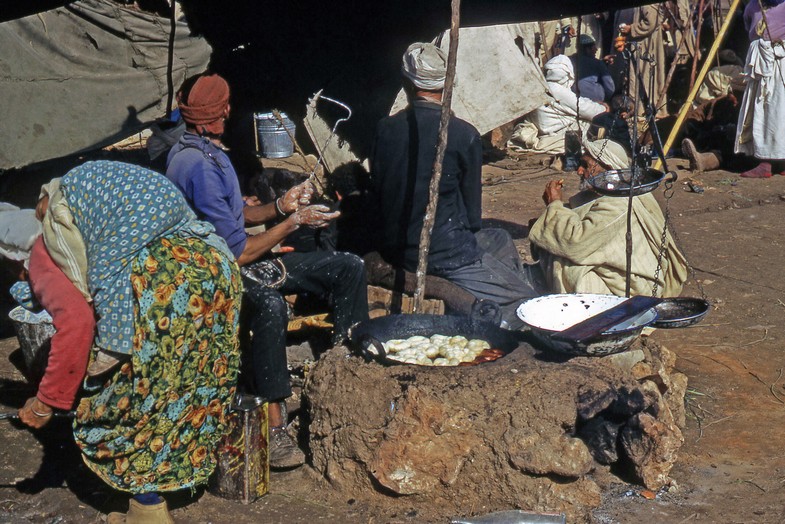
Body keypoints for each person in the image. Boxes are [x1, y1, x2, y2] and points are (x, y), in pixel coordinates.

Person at [18, 161, 243, 524]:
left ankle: (147, 507)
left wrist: (47, 401)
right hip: (212, 267)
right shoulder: (98, 189)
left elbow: (76, 324)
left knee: (131, 395)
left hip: (163, 288)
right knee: (188, 388)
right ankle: (171, 483)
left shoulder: (47, 247)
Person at [166, 72, 369, 469]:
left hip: (237, 258)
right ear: (223, 110)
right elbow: (237, 253)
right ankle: (274, 424)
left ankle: (345, 375)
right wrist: (294, 223)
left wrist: (281, 207)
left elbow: (238, 216)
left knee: (348, 267)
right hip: (214, 273)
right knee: (270, 306)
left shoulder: (207, 151)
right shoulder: (197, 165)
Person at [371, 42, 545, 329]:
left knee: (500, 238)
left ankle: (494, 288)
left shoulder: (384, 128)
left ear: (406, 84)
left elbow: (380, 191)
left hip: (396, 243)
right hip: (442, 252)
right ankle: (501, 318)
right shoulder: (463, 134)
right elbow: (472, 216)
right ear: (448, 85)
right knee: (527, 302)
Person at [528, 139, 688, 297]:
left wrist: (554, 204)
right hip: (619, 277)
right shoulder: (604, 195)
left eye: (586, 166)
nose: (579, 171)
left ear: (610, 170)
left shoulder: (620, 202)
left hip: (634, 288)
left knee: (564, 266)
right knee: (555, 250)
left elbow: (575, 243)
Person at [517, 55, 608, 154]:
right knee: (598, 124)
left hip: (543, 131)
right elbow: (590, 110)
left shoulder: (541, 87)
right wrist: (603, 107)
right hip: (558, 134)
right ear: (568, 74)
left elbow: (577, 102)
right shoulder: (558, 90)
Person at [734, 0, 785, 178]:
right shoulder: (752, 7)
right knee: (763, 111)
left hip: (781, 63)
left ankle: (780, 162)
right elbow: (749, 30)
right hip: (761, 65)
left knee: (779, 112)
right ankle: (765, 163)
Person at [618, 4, 669, 118]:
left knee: (643, 76)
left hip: (646, 44)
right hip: (645, 41)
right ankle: (642, 108)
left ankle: (642, 110)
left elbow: (651, 22)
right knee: (642, 77)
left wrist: (632, 28)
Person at [572, 33, 615, 103]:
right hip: (594, 100)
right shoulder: (598, 63)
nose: (596, 49)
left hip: (573, 97)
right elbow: (610, 88)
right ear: (587, 49)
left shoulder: (570, 59)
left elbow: (585, 66)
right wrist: (605, 100)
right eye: (594, 47)